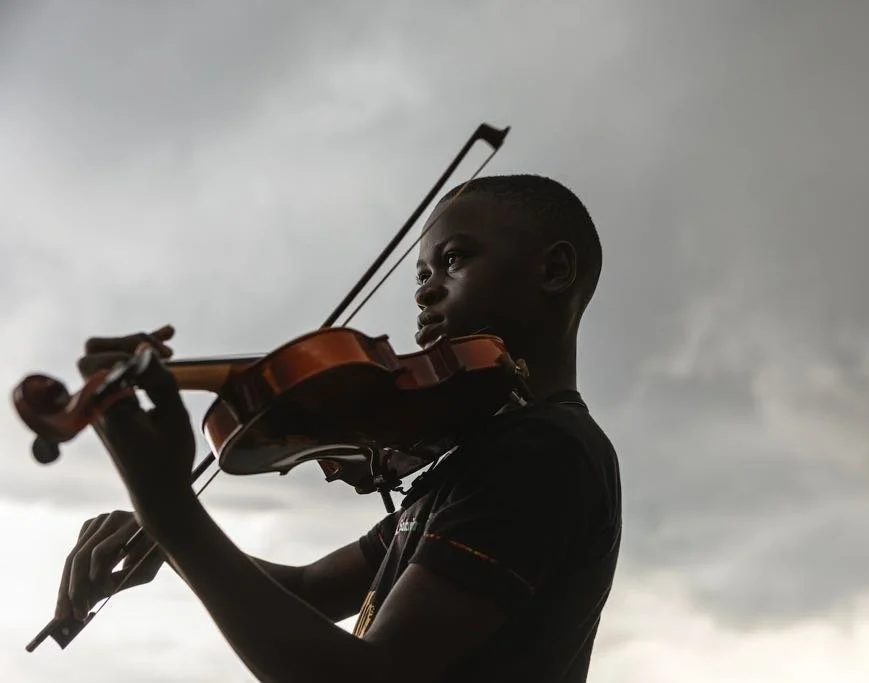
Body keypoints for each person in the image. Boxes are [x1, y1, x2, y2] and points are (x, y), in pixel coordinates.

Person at [54, 174, 622, 682]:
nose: (425, 290)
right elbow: (308, 590)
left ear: (554, 270)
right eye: (421, 274)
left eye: (454, 260)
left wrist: (170, 512)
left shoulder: (545, 452)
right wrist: (165, 537)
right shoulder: (476, 460)